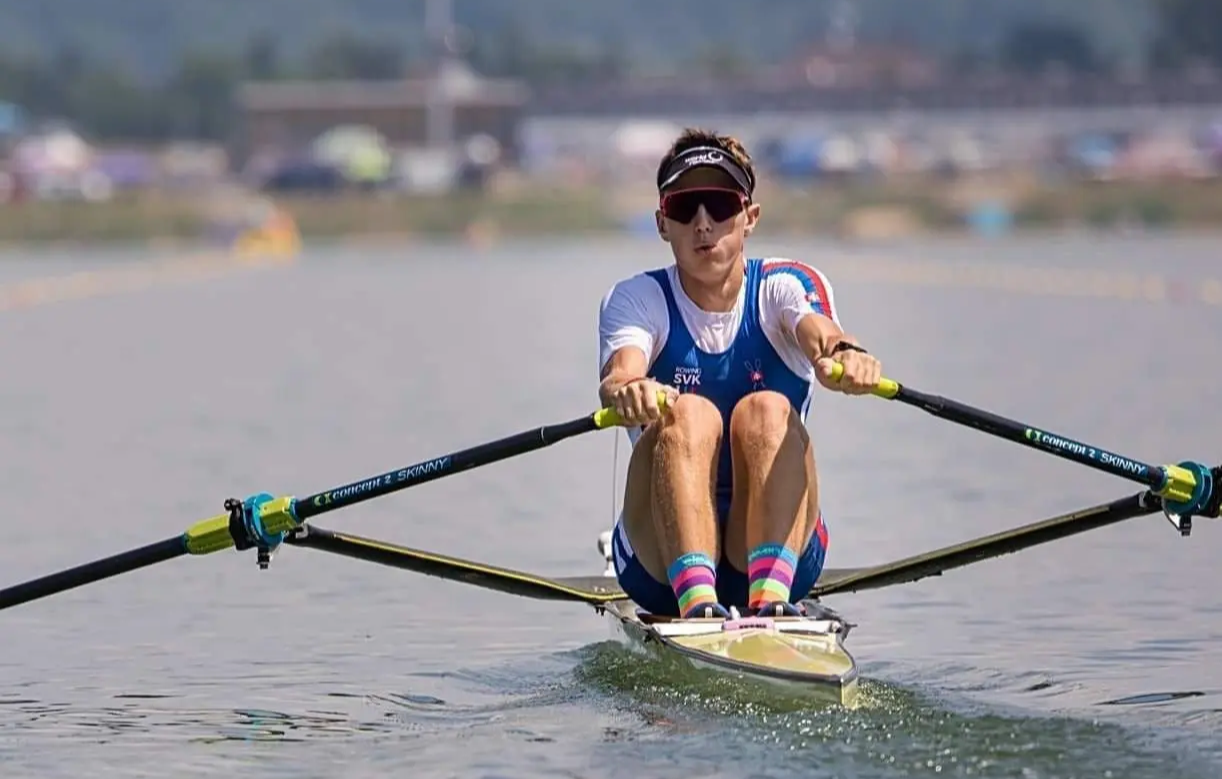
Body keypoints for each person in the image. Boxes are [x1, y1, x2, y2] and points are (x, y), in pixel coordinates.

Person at [597, 128, 882, 620]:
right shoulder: (635, 299)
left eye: (720, 205)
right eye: (686, 208)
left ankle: (770, 603)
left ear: (749, 217)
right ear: (663, 223)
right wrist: (628, 392)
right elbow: (621, 374)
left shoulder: (786, 284)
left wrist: (845, 354)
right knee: (686, 413)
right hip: (659, 565)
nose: (703, 224)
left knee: (767, 408)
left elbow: (821, 333)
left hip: (787, 558)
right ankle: (697, 603)